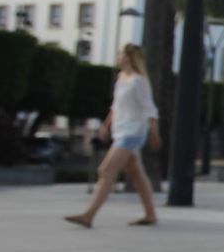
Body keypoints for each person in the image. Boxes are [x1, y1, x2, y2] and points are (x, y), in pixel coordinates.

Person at [65, 43, 161, 228]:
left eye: (121, 54)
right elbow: (115, 106)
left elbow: (150, 109)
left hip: (133, 132)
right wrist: (106, 125)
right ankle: (151, 215)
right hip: (120, 130)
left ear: (129, 57)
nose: (118, 56)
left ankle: (88, 215)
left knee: (106, 170)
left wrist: (154, 133)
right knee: (136, 173)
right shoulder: (121, 78)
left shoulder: (138, 80)